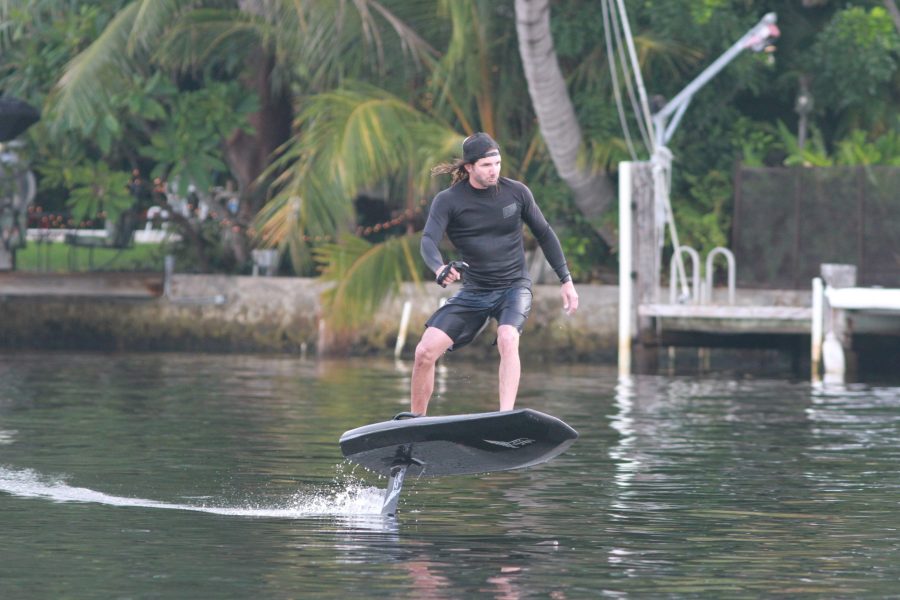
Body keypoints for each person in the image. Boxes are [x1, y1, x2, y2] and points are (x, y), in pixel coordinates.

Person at [410, 132, 579, 416]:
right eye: (487, 165)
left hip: (514, 287)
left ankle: (504, 416)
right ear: (469, 167)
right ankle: (414, 424)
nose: (494, 170)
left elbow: (545, 234)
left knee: (508, 337)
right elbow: (428, 240)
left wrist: (567, 280)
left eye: (498, 163)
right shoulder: (448, 200)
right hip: (475, 291)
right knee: (424, 353)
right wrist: (440, 268)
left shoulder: (517, 193)